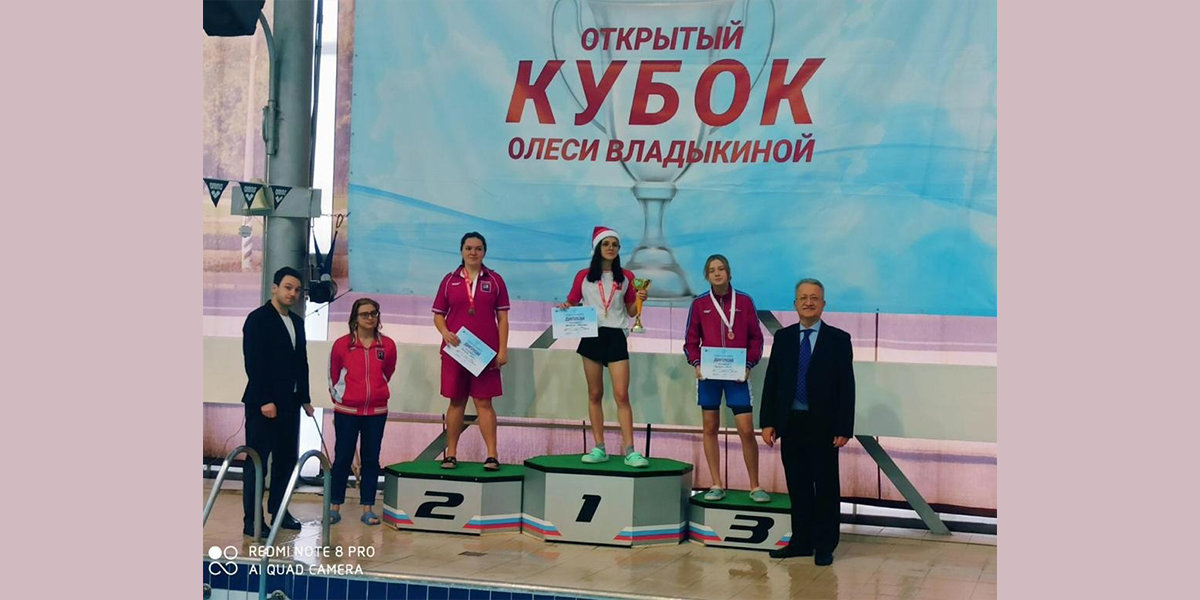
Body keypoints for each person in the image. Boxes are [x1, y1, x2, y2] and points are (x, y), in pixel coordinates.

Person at [760, 278, 855, 565]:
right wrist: (768, 421)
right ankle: (801, 542)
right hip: (791, 423)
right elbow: (772, 380)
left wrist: (844, 427)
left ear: (823, 304)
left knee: (825, 486)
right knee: (798, 485)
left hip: (824, 426)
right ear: (795, 304)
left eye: (814, 297)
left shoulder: (839, 339)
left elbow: (847, 386)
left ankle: (824, 545)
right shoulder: (784, 337)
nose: (809, 302)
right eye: (803, 298)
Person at [559, 226, 650, 467]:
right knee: (595, 393)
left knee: (622, 394)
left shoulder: (627, 277)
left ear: (619, 249)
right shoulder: (583, 276)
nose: (610, 248)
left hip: (616, 336)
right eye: (606, 244)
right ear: (597, 247)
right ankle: (599, 447)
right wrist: (566, 308)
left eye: (614, 244)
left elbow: (631, 312)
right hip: (591, 335)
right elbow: (571, 302)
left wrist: (639, 300)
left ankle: (630, 450)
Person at [682, 254, 768, 502]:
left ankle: (755, 485)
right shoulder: (699, 304)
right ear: (706, 276)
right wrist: (696, 363)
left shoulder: (744, 301)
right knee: (710, 427)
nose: (717, 273)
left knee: (746, 429)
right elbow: (690, 340)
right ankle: (716, 483)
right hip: (709, 375)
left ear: (729, 273)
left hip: (737, 375)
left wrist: (749, 365)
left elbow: (756, 338)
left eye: (721, 269)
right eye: (712, 270)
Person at [241, 266, 315, 537]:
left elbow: (301, 362)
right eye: (287, 287)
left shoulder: (297, 322)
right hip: (264, 404)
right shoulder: (258, 319)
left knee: (285, 461)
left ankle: (279, 510)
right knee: (258, 462)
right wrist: (265, 400)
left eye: (297, 290)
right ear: (274, 288)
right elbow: (254, 362)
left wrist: (304, 397)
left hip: (290, 404)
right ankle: (252, 519)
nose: (292, 293)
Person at [432, 232, 510, 470]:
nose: (473, 252)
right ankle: (451, 454)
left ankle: (492, 455)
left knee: (484, 402)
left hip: (484, 354)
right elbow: (438, 315)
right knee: (456, 401)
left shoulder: (495, 280)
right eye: (468, 248)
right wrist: (445, 332)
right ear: (461, 251)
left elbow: (503, 319)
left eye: (478, 248)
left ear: (484, 252)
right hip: (456, 351)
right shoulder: (449, 280)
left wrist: (502, 350)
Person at [328, 298, 397, 526]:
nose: (370, 318)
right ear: (355, 318)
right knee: (342, 458)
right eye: (365, 314)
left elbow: (388, 371)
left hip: (376, 412)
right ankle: (334, 506)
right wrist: (341, 399)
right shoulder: (342, 345)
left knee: (371, 459)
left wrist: (377, 391)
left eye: (374, 313)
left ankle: (368, 507)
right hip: (347, 411)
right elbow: (333, 374)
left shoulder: (387, 345)